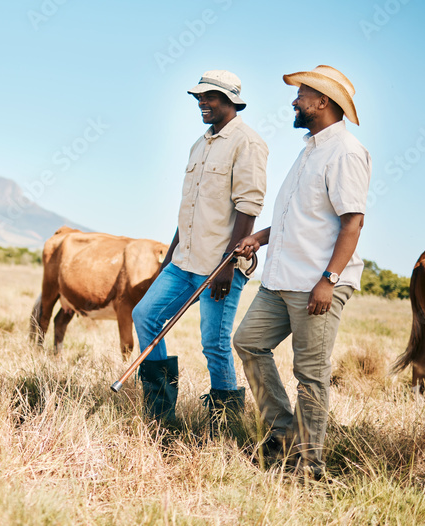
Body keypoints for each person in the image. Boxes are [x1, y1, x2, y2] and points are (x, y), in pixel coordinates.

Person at [232, 65, 371, 479]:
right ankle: (282, 435)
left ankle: (308, 467)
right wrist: (260, 237)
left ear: (322, 102)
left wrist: (328, 281)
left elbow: (352, 222)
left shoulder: (345, 151)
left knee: (310, 377)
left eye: (302, 95)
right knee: (249, 343)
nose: (294, 101)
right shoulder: (309, 148)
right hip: (279, 279)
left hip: (316, 283)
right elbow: (301, 217)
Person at [131, 70, 267, 428]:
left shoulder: (247, 143)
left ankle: (225, 426)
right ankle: (161, 415)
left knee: (215, 345)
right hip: (183, 261)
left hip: (218, 266)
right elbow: (189, 212)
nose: (202, 103)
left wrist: (227, 263)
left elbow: (248, 207)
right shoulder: (199, 144)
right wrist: (167, 260)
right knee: (145, 315)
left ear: (230, 100)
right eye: (199, 98)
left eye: (209, 97)